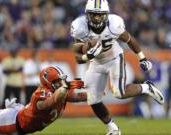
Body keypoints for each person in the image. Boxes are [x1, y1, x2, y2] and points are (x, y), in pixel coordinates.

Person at [70, 0, 164, 135]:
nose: (97, 18)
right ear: (87, 15)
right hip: (96, 62)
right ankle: (113, 128)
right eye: (93, 15)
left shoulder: (114, 24)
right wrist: (87, 57)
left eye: (100, 15)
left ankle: (145, 87)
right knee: (92, 98)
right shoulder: (79, 27)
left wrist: (142, 57)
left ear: (107, 15)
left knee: (118, 93)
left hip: (114, 58)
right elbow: (78, 58)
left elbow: (129, 40)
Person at [0, 66, 87, 135]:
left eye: (61, 80)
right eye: (57, 81)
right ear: (48, 83)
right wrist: (65, 87)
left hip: (17, 118)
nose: (61, 83)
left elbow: (78, 97)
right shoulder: (41, 94)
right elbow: (52, 101)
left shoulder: (61, 91)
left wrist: (95, 94)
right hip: (11, 122)